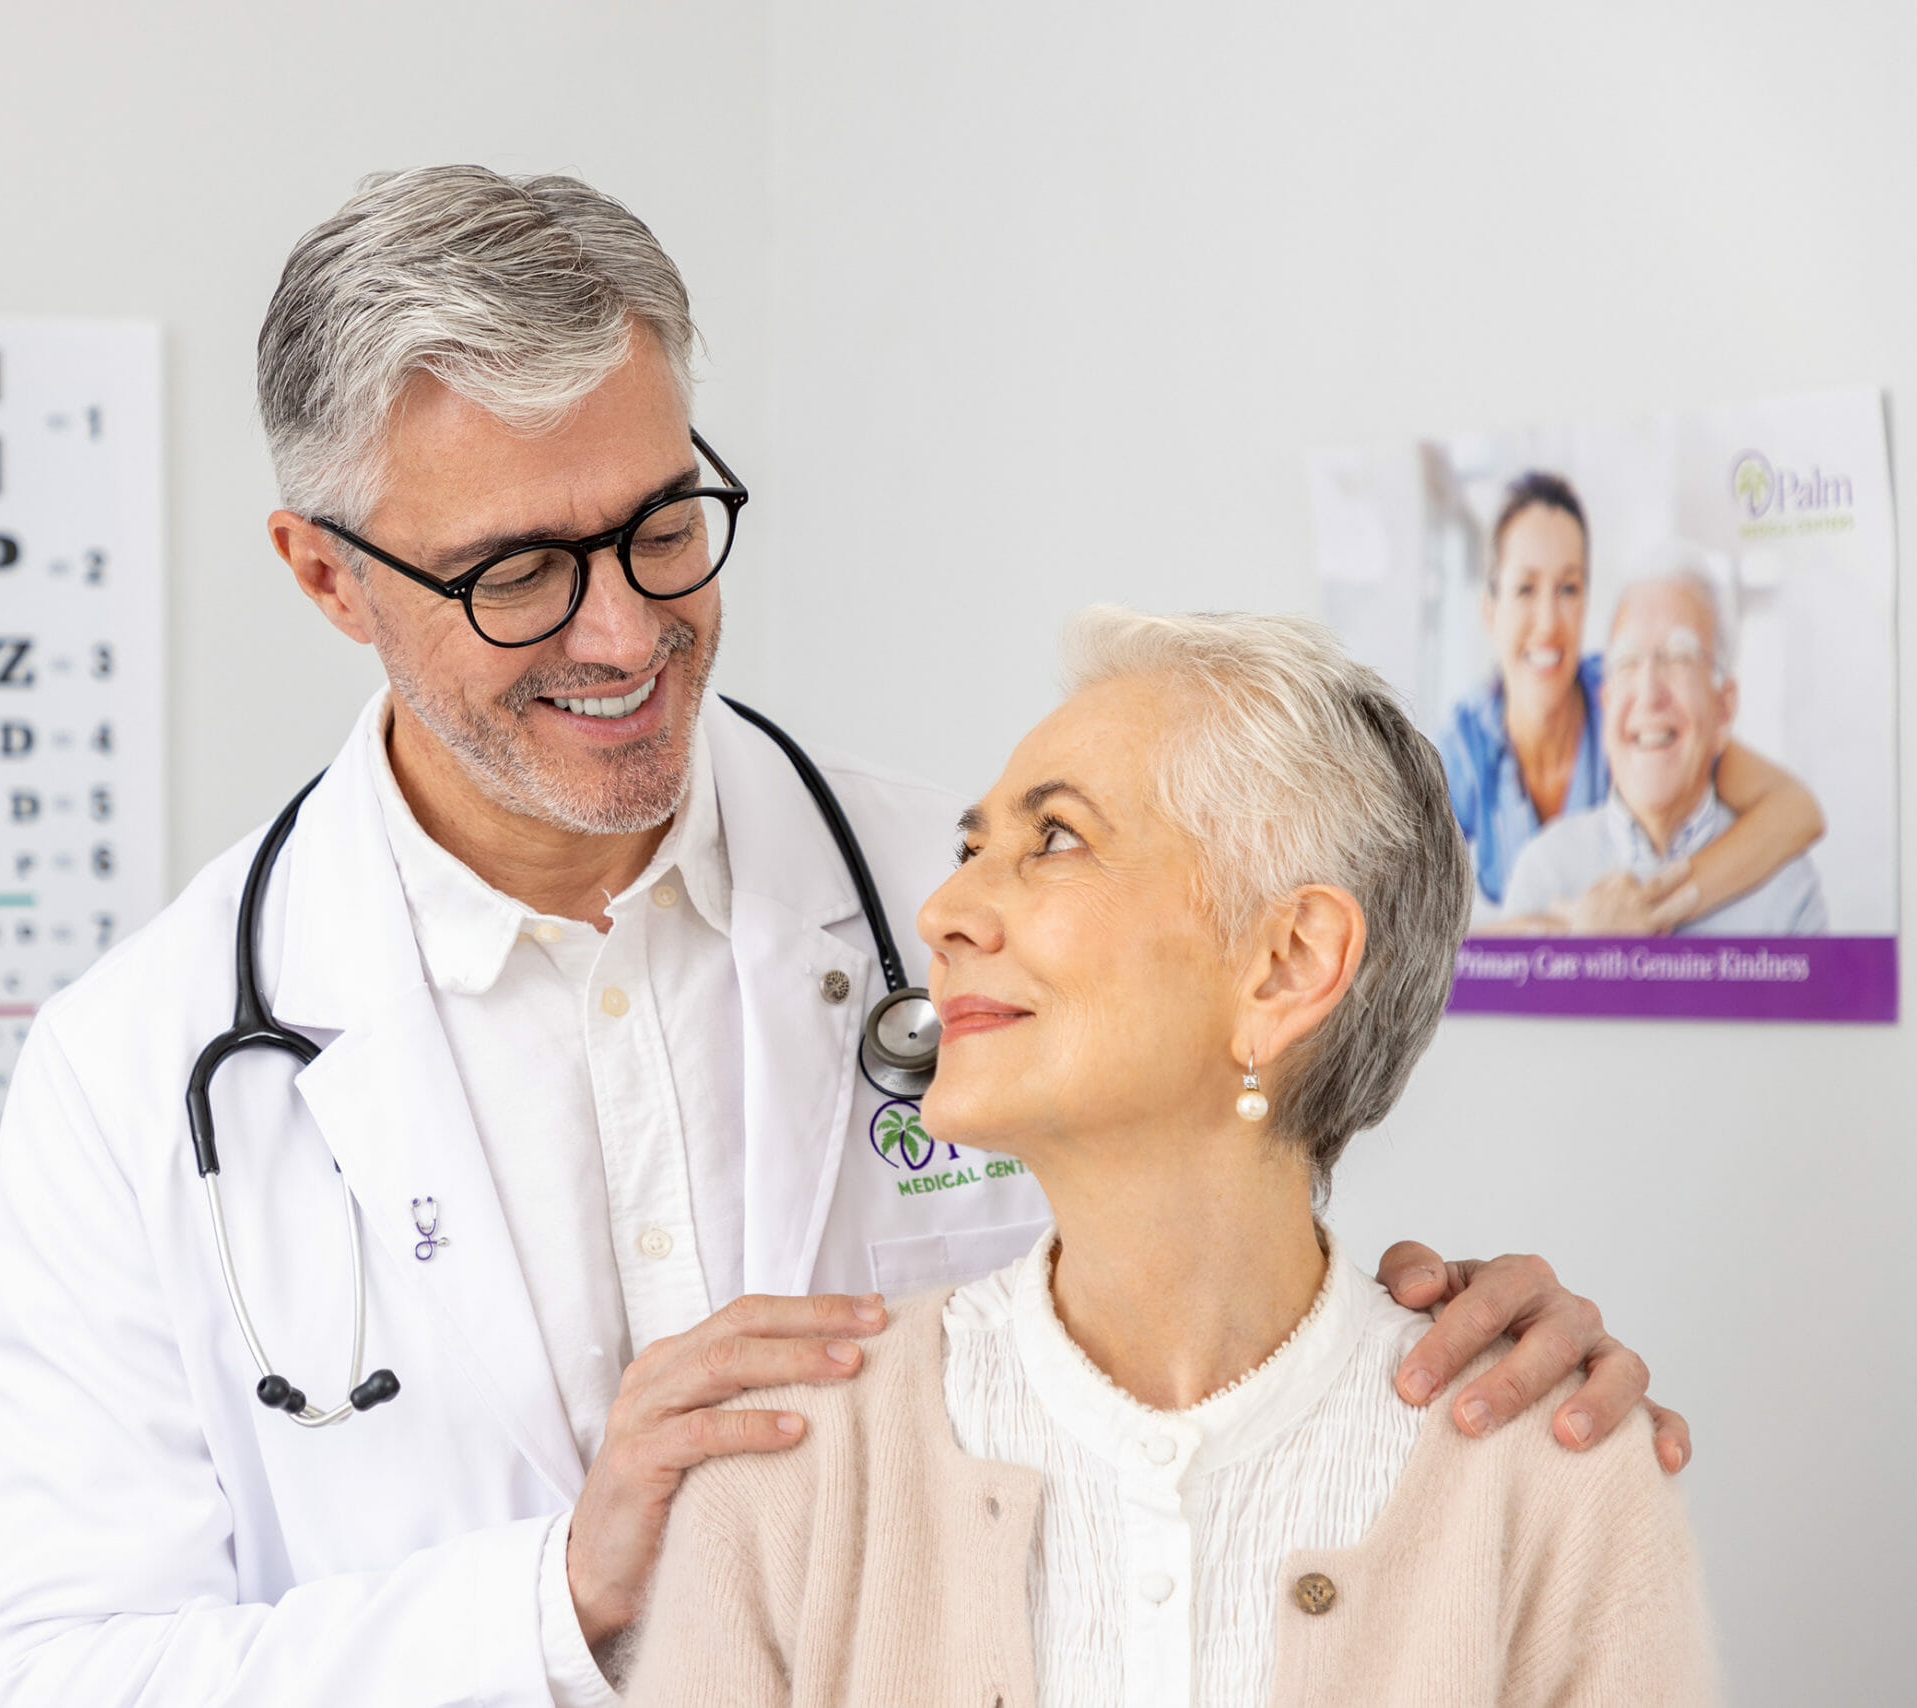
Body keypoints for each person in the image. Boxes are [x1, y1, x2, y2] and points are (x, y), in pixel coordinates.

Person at [0, 168, 1686, 1708]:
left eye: (663, 523)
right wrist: (556, 1592)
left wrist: (1432, 1365)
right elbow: (39, 1674)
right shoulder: (136, 1064)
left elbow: (1201, 1309)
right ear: (329, 578)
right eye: (517, 573)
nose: (626, 629)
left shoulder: (972, 900)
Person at [627, 609, 1715, 1707]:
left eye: (1054, 839)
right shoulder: (786, 1474)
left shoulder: (1554, 1480)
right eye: (968, 849)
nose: (943, 909)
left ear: (1286, 963)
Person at [1441, 469, 1819, 932]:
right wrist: (1571, 932)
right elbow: (1402, 923)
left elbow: (1795, 811)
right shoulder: (1464, 745)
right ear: (1489, 610)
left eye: (1569, 588)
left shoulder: (1635, 703)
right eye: (1525, 588)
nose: (1548, 620)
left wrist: (1655, 905)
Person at [1505, 561, 1824, 935]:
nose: (1649, 693)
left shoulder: (1788, 892)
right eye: (1627, 661)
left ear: (1724, 708)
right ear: (1606, 703)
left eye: (1679, 657)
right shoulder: (1544, 873)